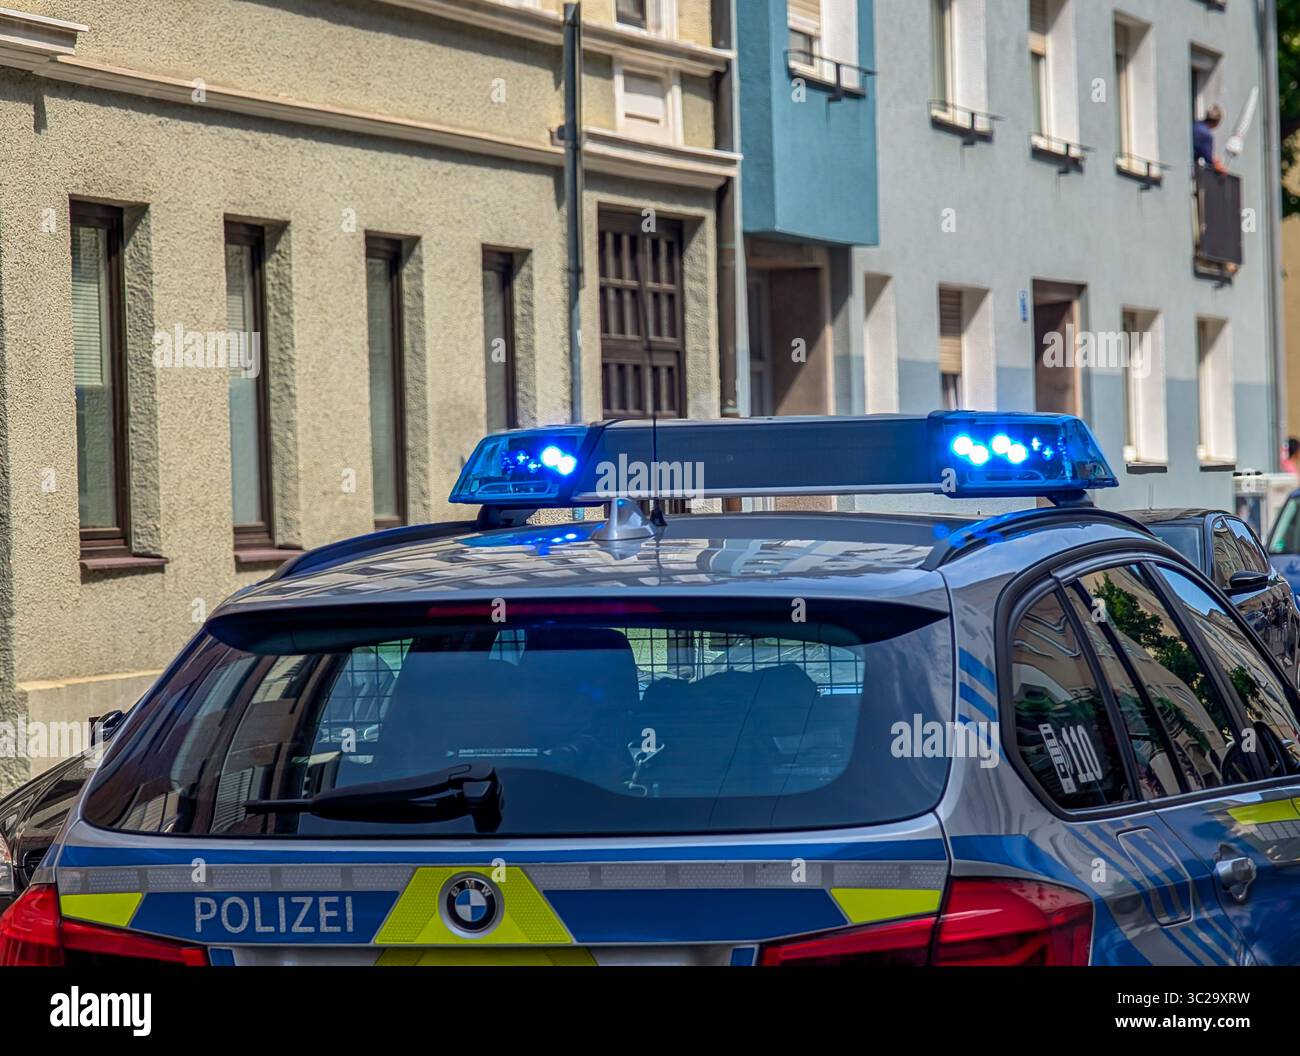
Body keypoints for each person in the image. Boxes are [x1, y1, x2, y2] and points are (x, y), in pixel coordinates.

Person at [1193, 105, 1227, 174]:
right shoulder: (1206, 135)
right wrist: (1218, 166)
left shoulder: (1194, 125)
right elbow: (1208, 160)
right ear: (1217, 122)